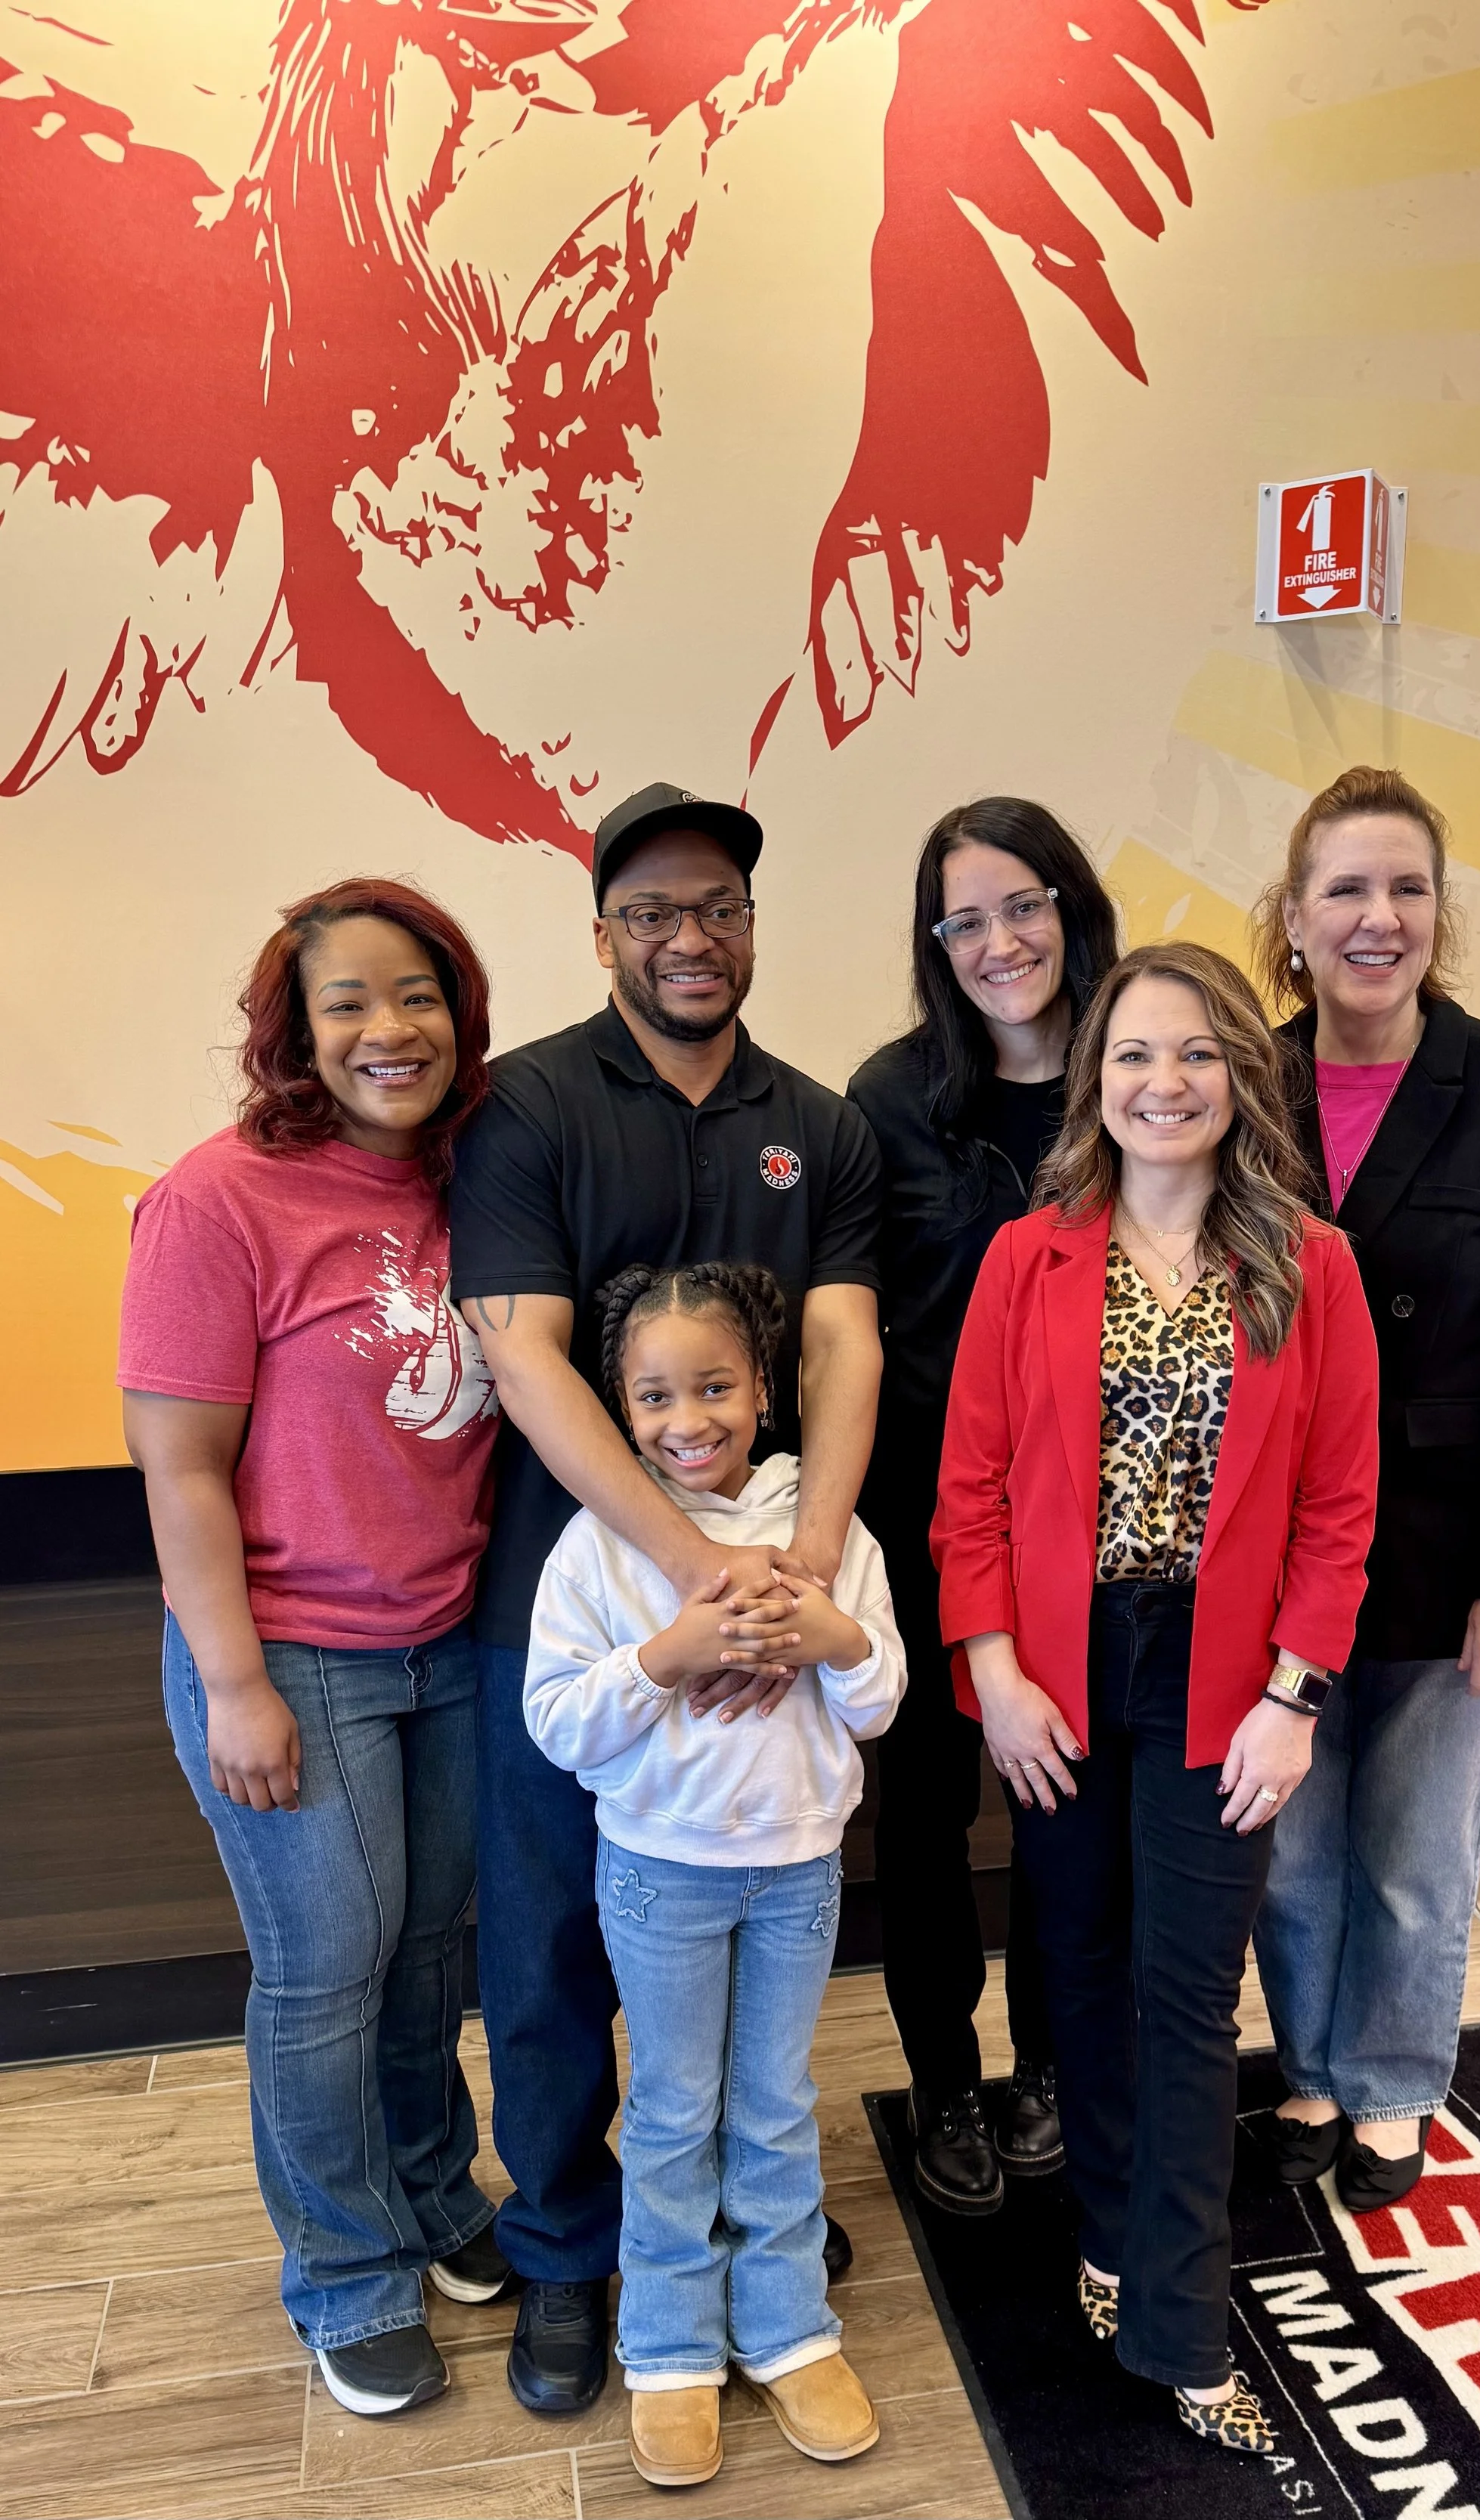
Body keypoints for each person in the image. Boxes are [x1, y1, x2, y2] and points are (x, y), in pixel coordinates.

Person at [447, 782, 884, 2416]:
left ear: (752, 925)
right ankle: (569, 2253)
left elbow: (843, 1342)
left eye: (717, 906)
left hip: (786, 1585)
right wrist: (701, 1573)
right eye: (652, 913)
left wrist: (804, 1572)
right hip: (572, 1605)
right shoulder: (531, 1103)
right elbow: (524, 1351)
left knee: (757, 1972)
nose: (689, 937)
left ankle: (735, 2240)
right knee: (555, 1950)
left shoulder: (821, 1121)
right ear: (604, 934)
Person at [932, 941, 1378, 2450]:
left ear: (1239, 1076)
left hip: (1225, 1680)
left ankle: (1186, 2319)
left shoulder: (1308, 1263)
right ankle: (1111, 2236)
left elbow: (1336, 1508)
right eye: (1131, 1054)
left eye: (1193, 1053)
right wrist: (988, 1667)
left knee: (1186, 1996)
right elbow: (970, 1486)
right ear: (1092, 1079)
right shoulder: (1026, 1254)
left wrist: (1292, 1695)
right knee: (1080, 1971)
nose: (1161, 1081)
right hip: (1058, 1667)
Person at [119, 879, 509, 2420]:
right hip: (294, 1654)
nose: (385, 1028)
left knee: (425, 1956)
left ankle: (433, 2193)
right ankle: (344, 2270)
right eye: (346, 1000)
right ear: (296, 1024)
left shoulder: (480, 1177)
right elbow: (182, 1467)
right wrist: (234, 1682)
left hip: (455, 1638)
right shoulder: (218, 1198)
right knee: (326, 1971)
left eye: (414, 993)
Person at [1250, 763, 1480, 2211]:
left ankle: (1392, 2086)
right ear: (1292, 915)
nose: (1376, 917)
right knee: (1291, 1855)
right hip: (1273, 1560)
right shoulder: (1239, 1081)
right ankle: (1313, 2069)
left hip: (1457, 1561)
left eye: (1406, 888)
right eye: (1346, 887)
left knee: (1414, 1856)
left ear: (1439, 916)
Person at [524, 1261, 904, 2488]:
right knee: (678, 2109)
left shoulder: (827, 1536)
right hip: (659, 1877)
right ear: (617, 1407)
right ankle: (673, 2348)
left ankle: (790, 2331)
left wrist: (834, 1635)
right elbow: (560, 1725)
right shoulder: (599, 1545)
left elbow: (881, 1699)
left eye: (717, 1387)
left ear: (770, 1386)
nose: (688, 1419)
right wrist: (669, 1654)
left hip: (799, 1874)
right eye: (654, 1397)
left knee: (777, 2103)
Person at [847, 797, 1120, 2215]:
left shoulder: (1140, 1069)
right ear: (935, 941)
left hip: (1096, 1524)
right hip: (919, 1512)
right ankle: (943, 2074)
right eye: (965, 918)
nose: (1001, 941)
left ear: (1073, 906)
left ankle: (1053, 2066)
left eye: (1026, 904)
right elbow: (852, 1323)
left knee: (1070, 1806)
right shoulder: (892, 1100)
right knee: (929, 1818)